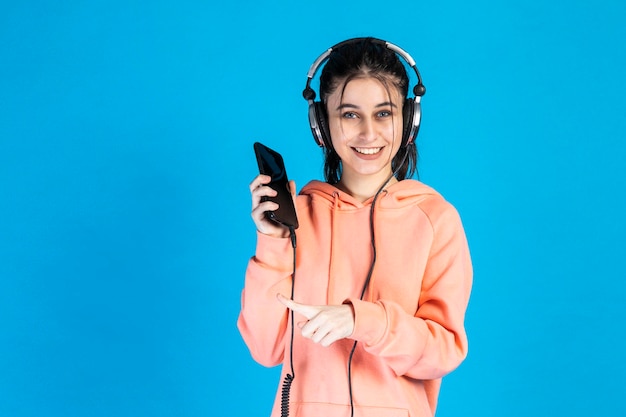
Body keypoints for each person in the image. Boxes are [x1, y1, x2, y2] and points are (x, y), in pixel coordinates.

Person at [238, 37, 472, 417]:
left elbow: (442, 351)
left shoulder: (435, 219)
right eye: (349, 114)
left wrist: (361, 320)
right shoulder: (297, 219)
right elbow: (265, 348)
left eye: (383, 113)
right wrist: (271, 243)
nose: (368, 133)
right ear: (321, 124)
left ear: (408, 119)